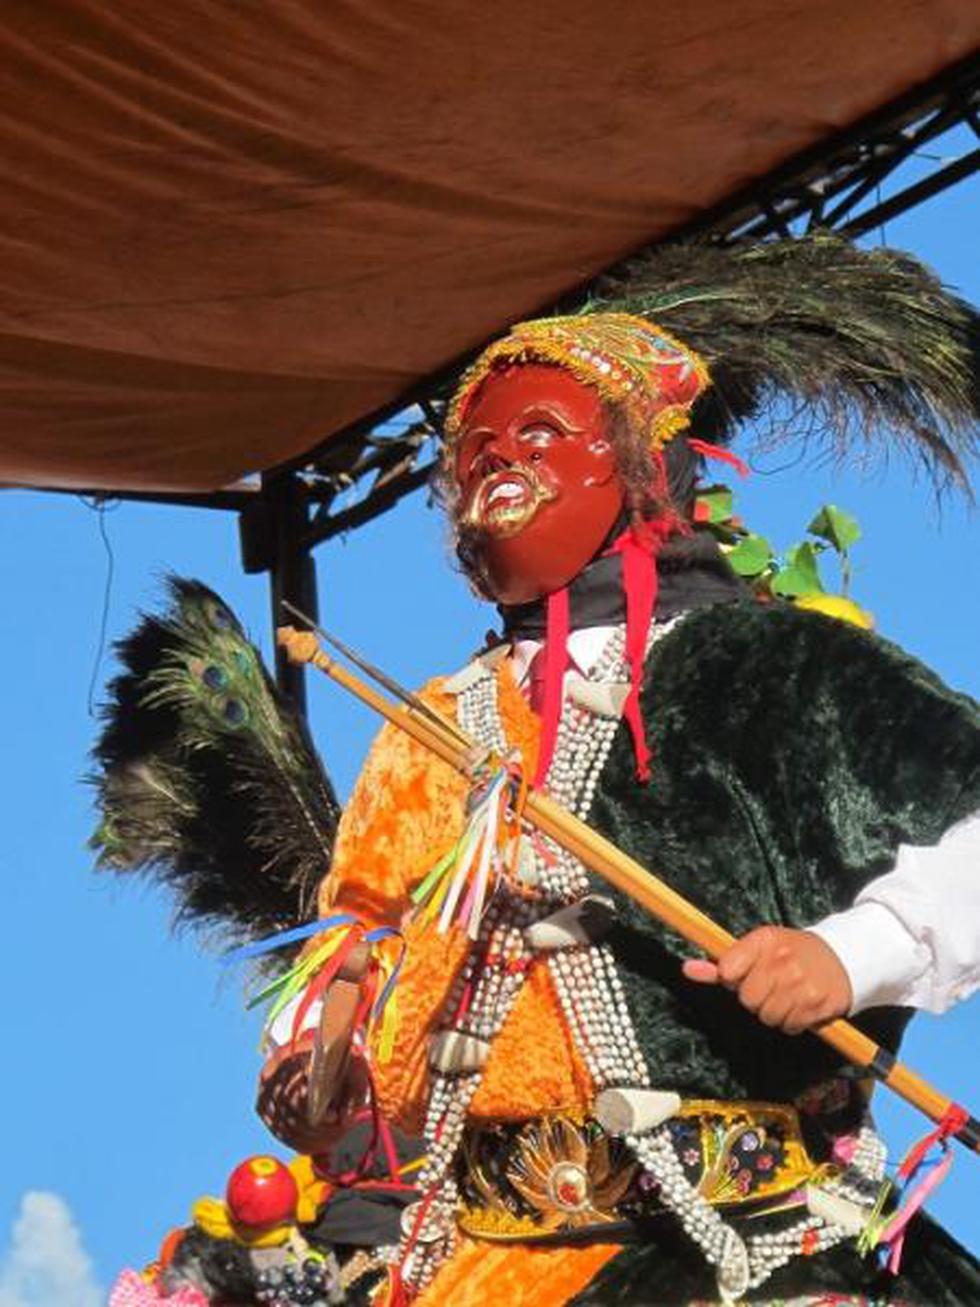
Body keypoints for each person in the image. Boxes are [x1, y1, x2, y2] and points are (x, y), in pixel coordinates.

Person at [258, 237, 980, 1305]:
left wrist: (848, 952)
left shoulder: (779, 664)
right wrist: (323, 1057)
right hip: (475, 1266)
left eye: (540, 433)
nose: (497, 462)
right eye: (474, 452)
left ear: (649, 460)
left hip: (749, 1248)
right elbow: (360, 938)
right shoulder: (428, 728)